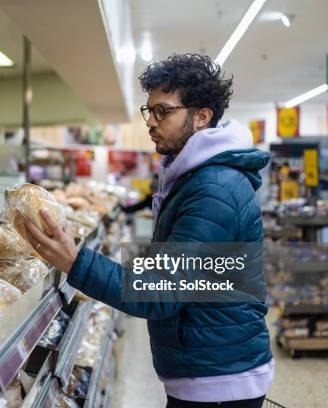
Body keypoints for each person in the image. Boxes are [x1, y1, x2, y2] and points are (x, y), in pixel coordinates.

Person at [19, 54, 273, 408]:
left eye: (163, 111)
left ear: (201, 116)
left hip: (217, 378)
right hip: (210, 364)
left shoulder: (213, 188)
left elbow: (161, 292)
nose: (150, 123)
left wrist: (76, 261)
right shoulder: (194, 178)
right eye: (148, 111)